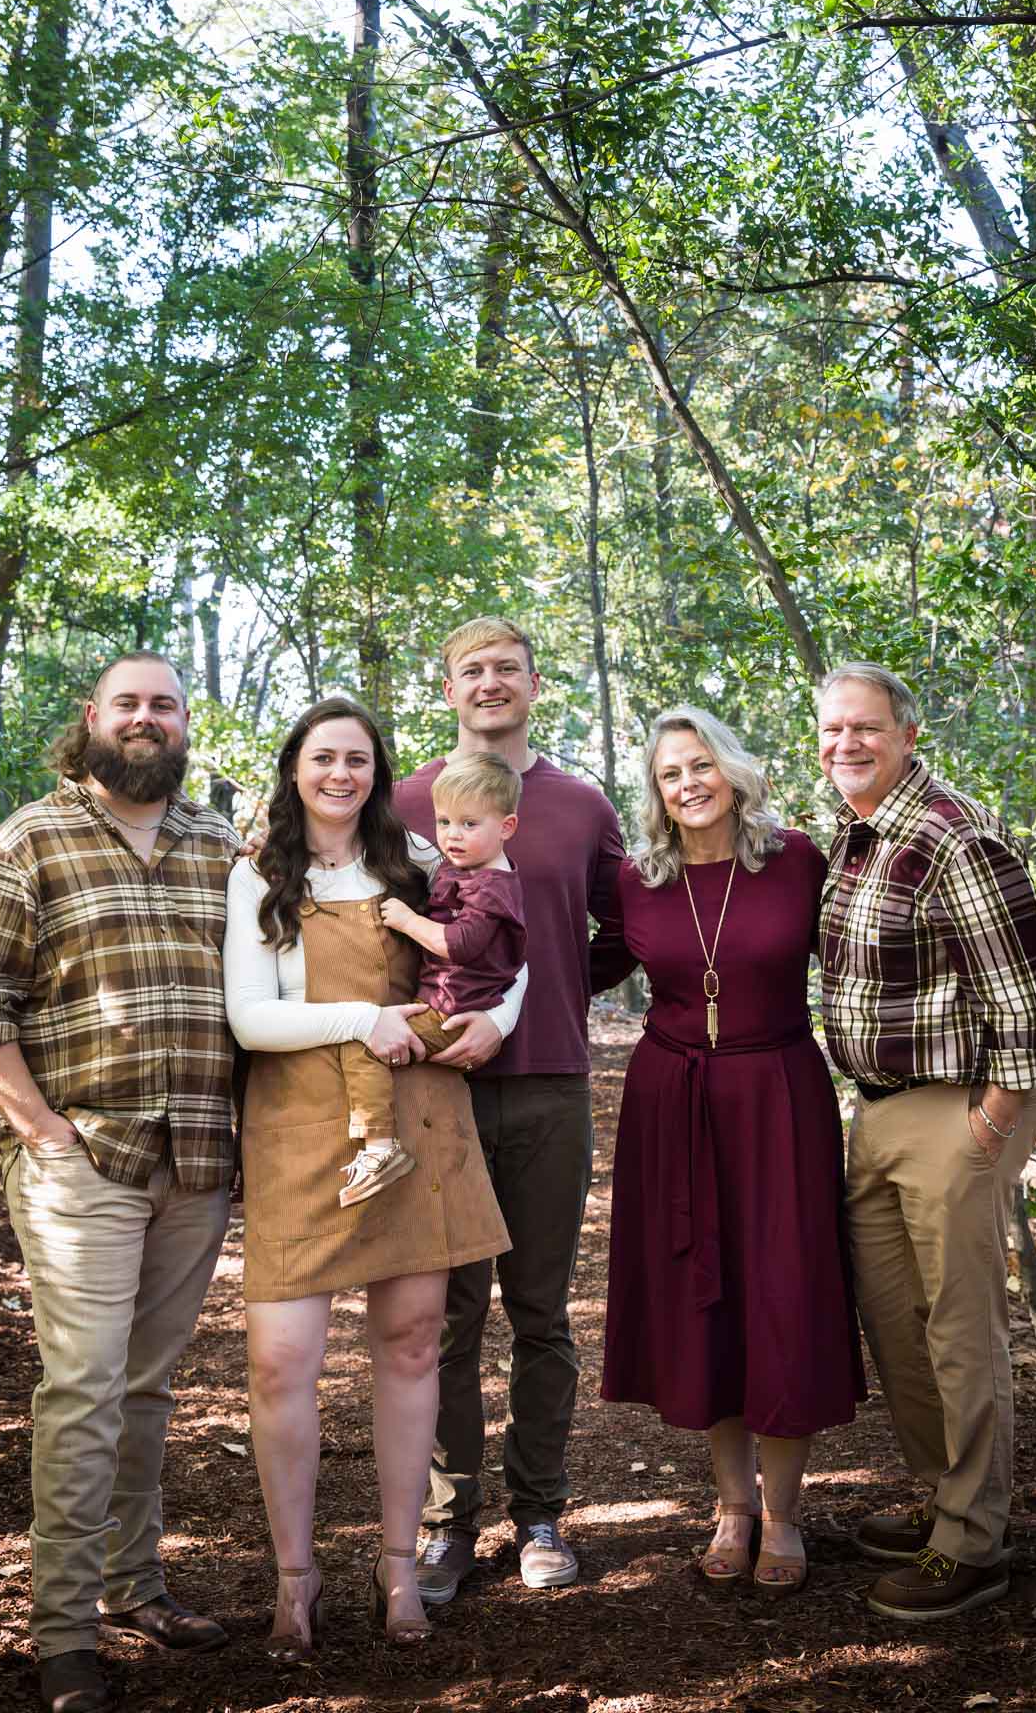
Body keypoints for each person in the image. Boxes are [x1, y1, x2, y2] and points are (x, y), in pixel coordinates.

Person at [0, 652, 237, 1713]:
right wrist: (43, 1131)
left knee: (148, 1388)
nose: (147, 718)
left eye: (165, 704)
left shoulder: (221, 844)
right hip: (83, 1162)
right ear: (93, 717)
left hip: (197, 1160)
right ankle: (64, 1633)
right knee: (85, 1390)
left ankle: (135, 1583)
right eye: (128, 703)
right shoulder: (29, 839)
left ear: (185, 722)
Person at [223, 696, 520, 1656]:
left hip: (417, 1115)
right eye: (323, 758)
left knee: (410, 1343)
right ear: (294, 769)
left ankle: (398, 1570)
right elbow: (251, 1019)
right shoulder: (259, 874)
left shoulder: (418, 863)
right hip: (297, 1127)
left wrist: (498, 1021)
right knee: (281, 1362)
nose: (340, 774)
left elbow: (505, 952)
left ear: (378, 774)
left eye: (357, 759)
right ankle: (295, 1580)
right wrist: (363, 1019)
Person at [816, 662, 1036, 1622]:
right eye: (832, 729)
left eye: (865, 727)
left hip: (957, 1106)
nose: (846, 743)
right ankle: (941, 1499)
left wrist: (989, 1124)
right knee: (895, 1319)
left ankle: (973, 1541)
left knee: (960, 1329)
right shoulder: (857, 836)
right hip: (877, 1108)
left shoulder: (955, 836)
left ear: (907, 734)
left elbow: (1029, 998)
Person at [594, 706, 865, 1593]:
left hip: (778, 1097)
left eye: (701, 765)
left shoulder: (798, 861)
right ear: (654, 792)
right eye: (670, 773)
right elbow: (564, 959)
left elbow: (870, 953)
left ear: (733, 770)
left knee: (784, 1295)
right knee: (703, 1299)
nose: (689, 784)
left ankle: (783, 1514)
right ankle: (732, 1506)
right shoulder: (637, 880)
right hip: (672, 1102)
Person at [395, 616, 625, 1599]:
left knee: (540, 1312)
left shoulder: (578, 805)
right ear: (447, 689)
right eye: (471, 670)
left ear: (534, 684)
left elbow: (627, 927)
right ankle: (446, 1525)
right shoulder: (403, 801)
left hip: (547, 1089)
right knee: (446, 1318)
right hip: (434, 1094)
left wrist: (556, 991)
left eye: (506, 669)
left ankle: (539, 1513)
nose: (489, 683)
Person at [380, 752, 526, 1060]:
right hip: (436, 1000)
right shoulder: (464, 866)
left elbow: (459, 944)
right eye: (443, 821)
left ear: (506, 827)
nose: (452, 835)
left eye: (469, 823)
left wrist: (407, 921)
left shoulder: (492, 888)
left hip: (452, 1012)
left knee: (374, 1050)